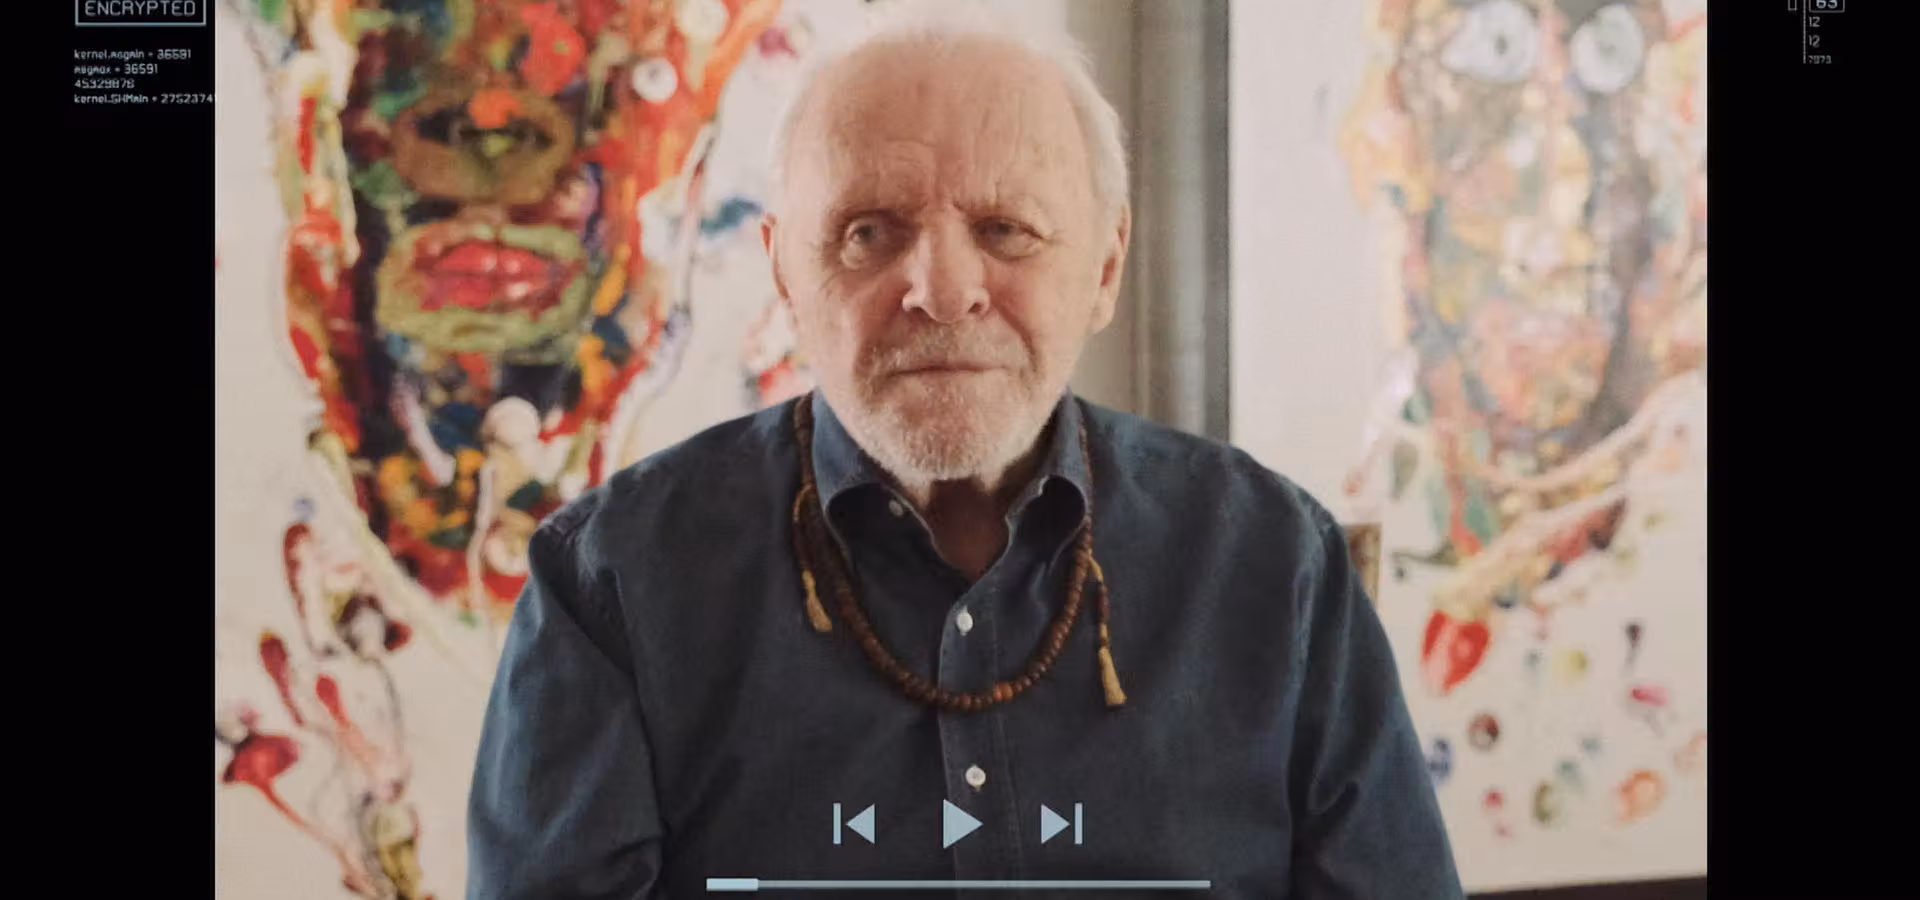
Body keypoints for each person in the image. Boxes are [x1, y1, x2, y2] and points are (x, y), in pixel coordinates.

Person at [467, 4, 1464, 898]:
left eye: (1006, 229)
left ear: (1105, 267)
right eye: (868, 232)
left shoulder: (1277, 564)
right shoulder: (613, 584)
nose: (943, 293)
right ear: (785, 272)